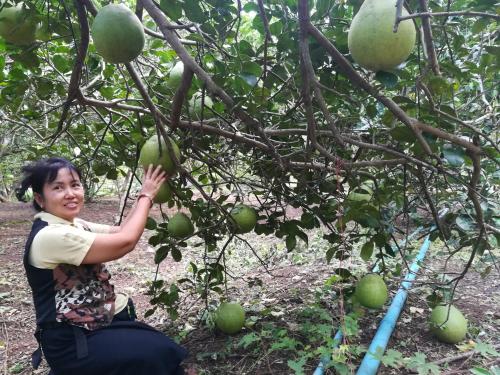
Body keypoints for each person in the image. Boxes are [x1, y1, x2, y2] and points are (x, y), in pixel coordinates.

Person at [16, 157, 189, 375]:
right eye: (58, 187)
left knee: (160, 348)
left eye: (75, 185)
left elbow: (121, 230)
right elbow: (126, 241)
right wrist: (147, 195)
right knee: (155, 355)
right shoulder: (50, 236)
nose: (70, 193)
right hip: (70, 340)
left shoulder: (74, 225)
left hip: (92, 325)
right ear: (41, 199)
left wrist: (144, 195)